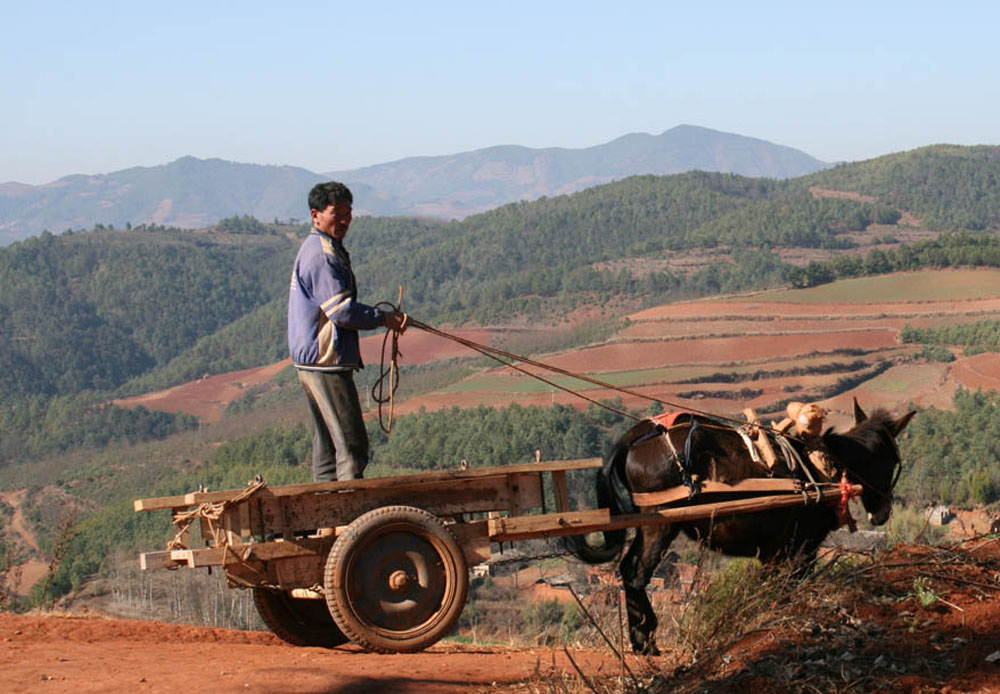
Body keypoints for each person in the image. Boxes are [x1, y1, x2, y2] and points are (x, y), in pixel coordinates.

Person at [288, 181, 406, 482]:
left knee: (328, 447)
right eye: (336, 213)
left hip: (313, 360)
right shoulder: (322, 255)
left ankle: (328, 517)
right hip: (326, 361)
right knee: (352, 448)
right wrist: (384, 318)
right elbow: (341, 311)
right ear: (316, 215)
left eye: (348, 212)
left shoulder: (322, 248)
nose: (344, 220)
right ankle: (348, 520)